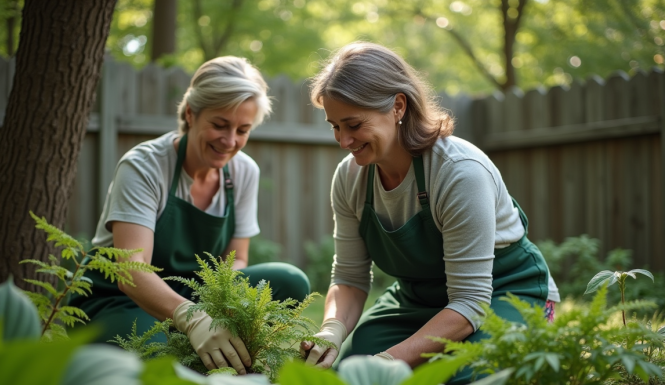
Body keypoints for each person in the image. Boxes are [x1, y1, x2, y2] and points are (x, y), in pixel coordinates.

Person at [300, 42, 560, 384]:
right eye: (334, 126)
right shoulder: (350, 177)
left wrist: (388, 363)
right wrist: (331, 332)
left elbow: (470, 301)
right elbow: (349, 277)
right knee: (352, 371)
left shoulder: (459, 172)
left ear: (397, 106)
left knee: (466, 377)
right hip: (419, 299)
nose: (343, 140)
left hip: (505, 294)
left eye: (354, 124)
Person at [69, 56, 310, 376]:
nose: (230, 141)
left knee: (290, 281)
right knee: (161, 355)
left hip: (196, 295)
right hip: (118, 298)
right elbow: (132, 271)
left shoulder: (243, 172)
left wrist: (221, 310)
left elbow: (236, 261)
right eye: (220, 125)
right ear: (190, 113)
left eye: (243, 129)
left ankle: (216, 347)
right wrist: (194, 320)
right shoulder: (144, 166)